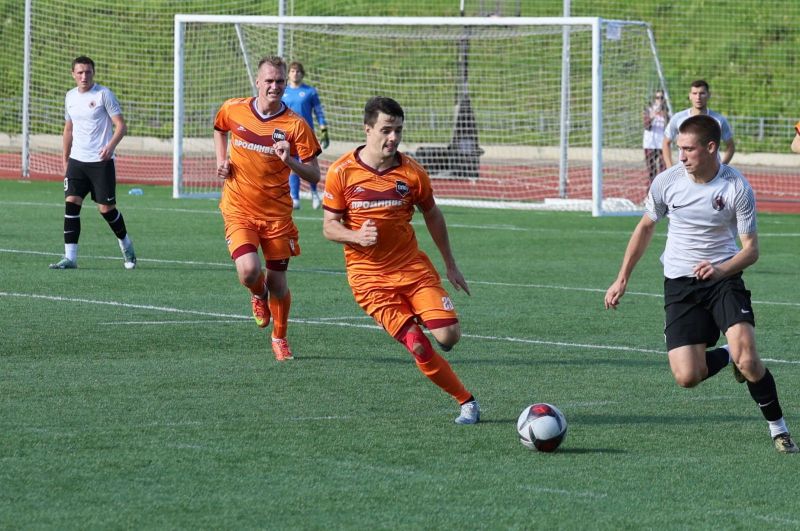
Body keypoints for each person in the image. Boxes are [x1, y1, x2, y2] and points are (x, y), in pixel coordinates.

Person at [605, 114, 798, 454]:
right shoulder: (667, 181)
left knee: (750, 361)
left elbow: (751, 251)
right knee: (687, 376)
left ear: (711, 148)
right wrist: (622, 278)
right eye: (679, 148)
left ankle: (778, 429)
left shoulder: (736, 187)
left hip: (724, 280)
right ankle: (728, 354)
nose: (680, 156)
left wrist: (720, 270)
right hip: (680, 285)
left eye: (688, 149)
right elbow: (646, 227)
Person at [322, 96, 480, 425]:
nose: (393, 138)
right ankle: (466, 401)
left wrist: (450, 264)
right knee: (419, 346)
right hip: (369, 280)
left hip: (412, 269)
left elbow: (432, 214)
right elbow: (329, 227)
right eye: (386, 130)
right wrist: (355, 236)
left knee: (449, 336)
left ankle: (422, 318)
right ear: (368, 130)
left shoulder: (412, 173)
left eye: (398, 131)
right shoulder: (342, 172)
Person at [213, 56, 321, 361]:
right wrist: (221, 161)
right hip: (239, 207)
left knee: (278, 282)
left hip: (276, 215)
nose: (275, 86)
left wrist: (290, 161)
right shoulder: (234, 108)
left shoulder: (295, 125)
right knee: (250, 272)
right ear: (257, 82)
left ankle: (280, 337)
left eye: (280, 81)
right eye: (269, 80)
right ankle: (257, 294)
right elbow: (220, 128)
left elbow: (315, 174)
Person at [49, 56, 136, 270]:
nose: (84, 76)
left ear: (93, 73)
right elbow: (68, 129)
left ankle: (125, 244)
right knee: (71, 204)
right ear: (73, 74)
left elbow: (121, 126)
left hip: (100, 162)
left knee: (106, 209)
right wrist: (65, 159)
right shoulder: (70, 96)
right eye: (80, 72)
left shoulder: (103, 94)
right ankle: (70, 258)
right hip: (77, 161)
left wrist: (110, 147)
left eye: (88, 72)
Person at [282, 61, 329, 210]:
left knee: (309, 164)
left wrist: (324, 128)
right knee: (292, 164)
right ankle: (295, 197)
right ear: (288, 74)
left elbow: (318, 111)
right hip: (288, 134)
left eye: (298, 71)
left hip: (306, 134)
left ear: (302, 74)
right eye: (292, 71)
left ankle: (314, 193)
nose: (295, 74)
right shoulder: (283, 91)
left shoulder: (310, 92)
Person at [662, 80, 735, 168]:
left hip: (710, 172)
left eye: (702, 93)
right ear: (690, 96)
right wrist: (669, 167)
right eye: (694, 93)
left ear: (708, 95)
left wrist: (722, 167)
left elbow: (730, 146)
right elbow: (666, 142)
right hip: (684, 170)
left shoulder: (719, 120)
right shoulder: (678, 118)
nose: (698, 97)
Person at [642, 89, 669, 182]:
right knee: (651, 170)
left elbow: (668, 127)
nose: (659, 100)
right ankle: (651, 189)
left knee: (663, 169)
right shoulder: (648, 110)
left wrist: (665, 115)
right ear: (654, 99)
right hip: (650, 144)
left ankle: (662, 188)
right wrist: (653, 116)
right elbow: (647, 126)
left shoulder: (667, 111)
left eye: (661, 98)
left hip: (662, 144)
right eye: (657, 98)